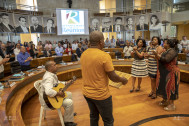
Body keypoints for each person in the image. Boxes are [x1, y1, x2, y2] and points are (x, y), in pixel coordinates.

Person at [81, 31, 128, 126]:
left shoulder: (84, 54)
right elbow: (113, 77)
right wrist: (123, 80)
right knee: (108, 121)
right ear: (101, 42)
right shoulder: (104, 56)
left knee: (93, 117)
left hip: (87, 93)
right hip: (101, 95)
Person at [40, 61, 77, 126]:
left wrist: (66, 83)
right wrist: (58, 94)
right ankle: (67, 122)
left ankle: (69, 113)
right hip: (49, 101)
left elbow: (57, 83)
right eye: (55, 65)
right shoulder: (49, 78)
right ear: (50, 67)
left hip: (51, 97)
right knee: (69, 102)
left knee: (69, 94)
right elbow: (48, 91)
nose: (57, 66)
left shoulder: (51, 74)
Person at [153, 39, 180, 111]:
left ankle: (171, 104)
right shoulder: (166, 50)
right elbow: (160, 58)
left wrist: (157, 55)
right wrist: (155, 55)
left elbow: (166, 60)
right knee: (164, 85)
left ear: (168, 44)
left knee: (170, 87)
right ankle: (165, 100)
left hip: (172, 72)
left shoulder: (172, 51)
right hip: (165, 71)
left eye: (164, 42)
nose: (163, 43)